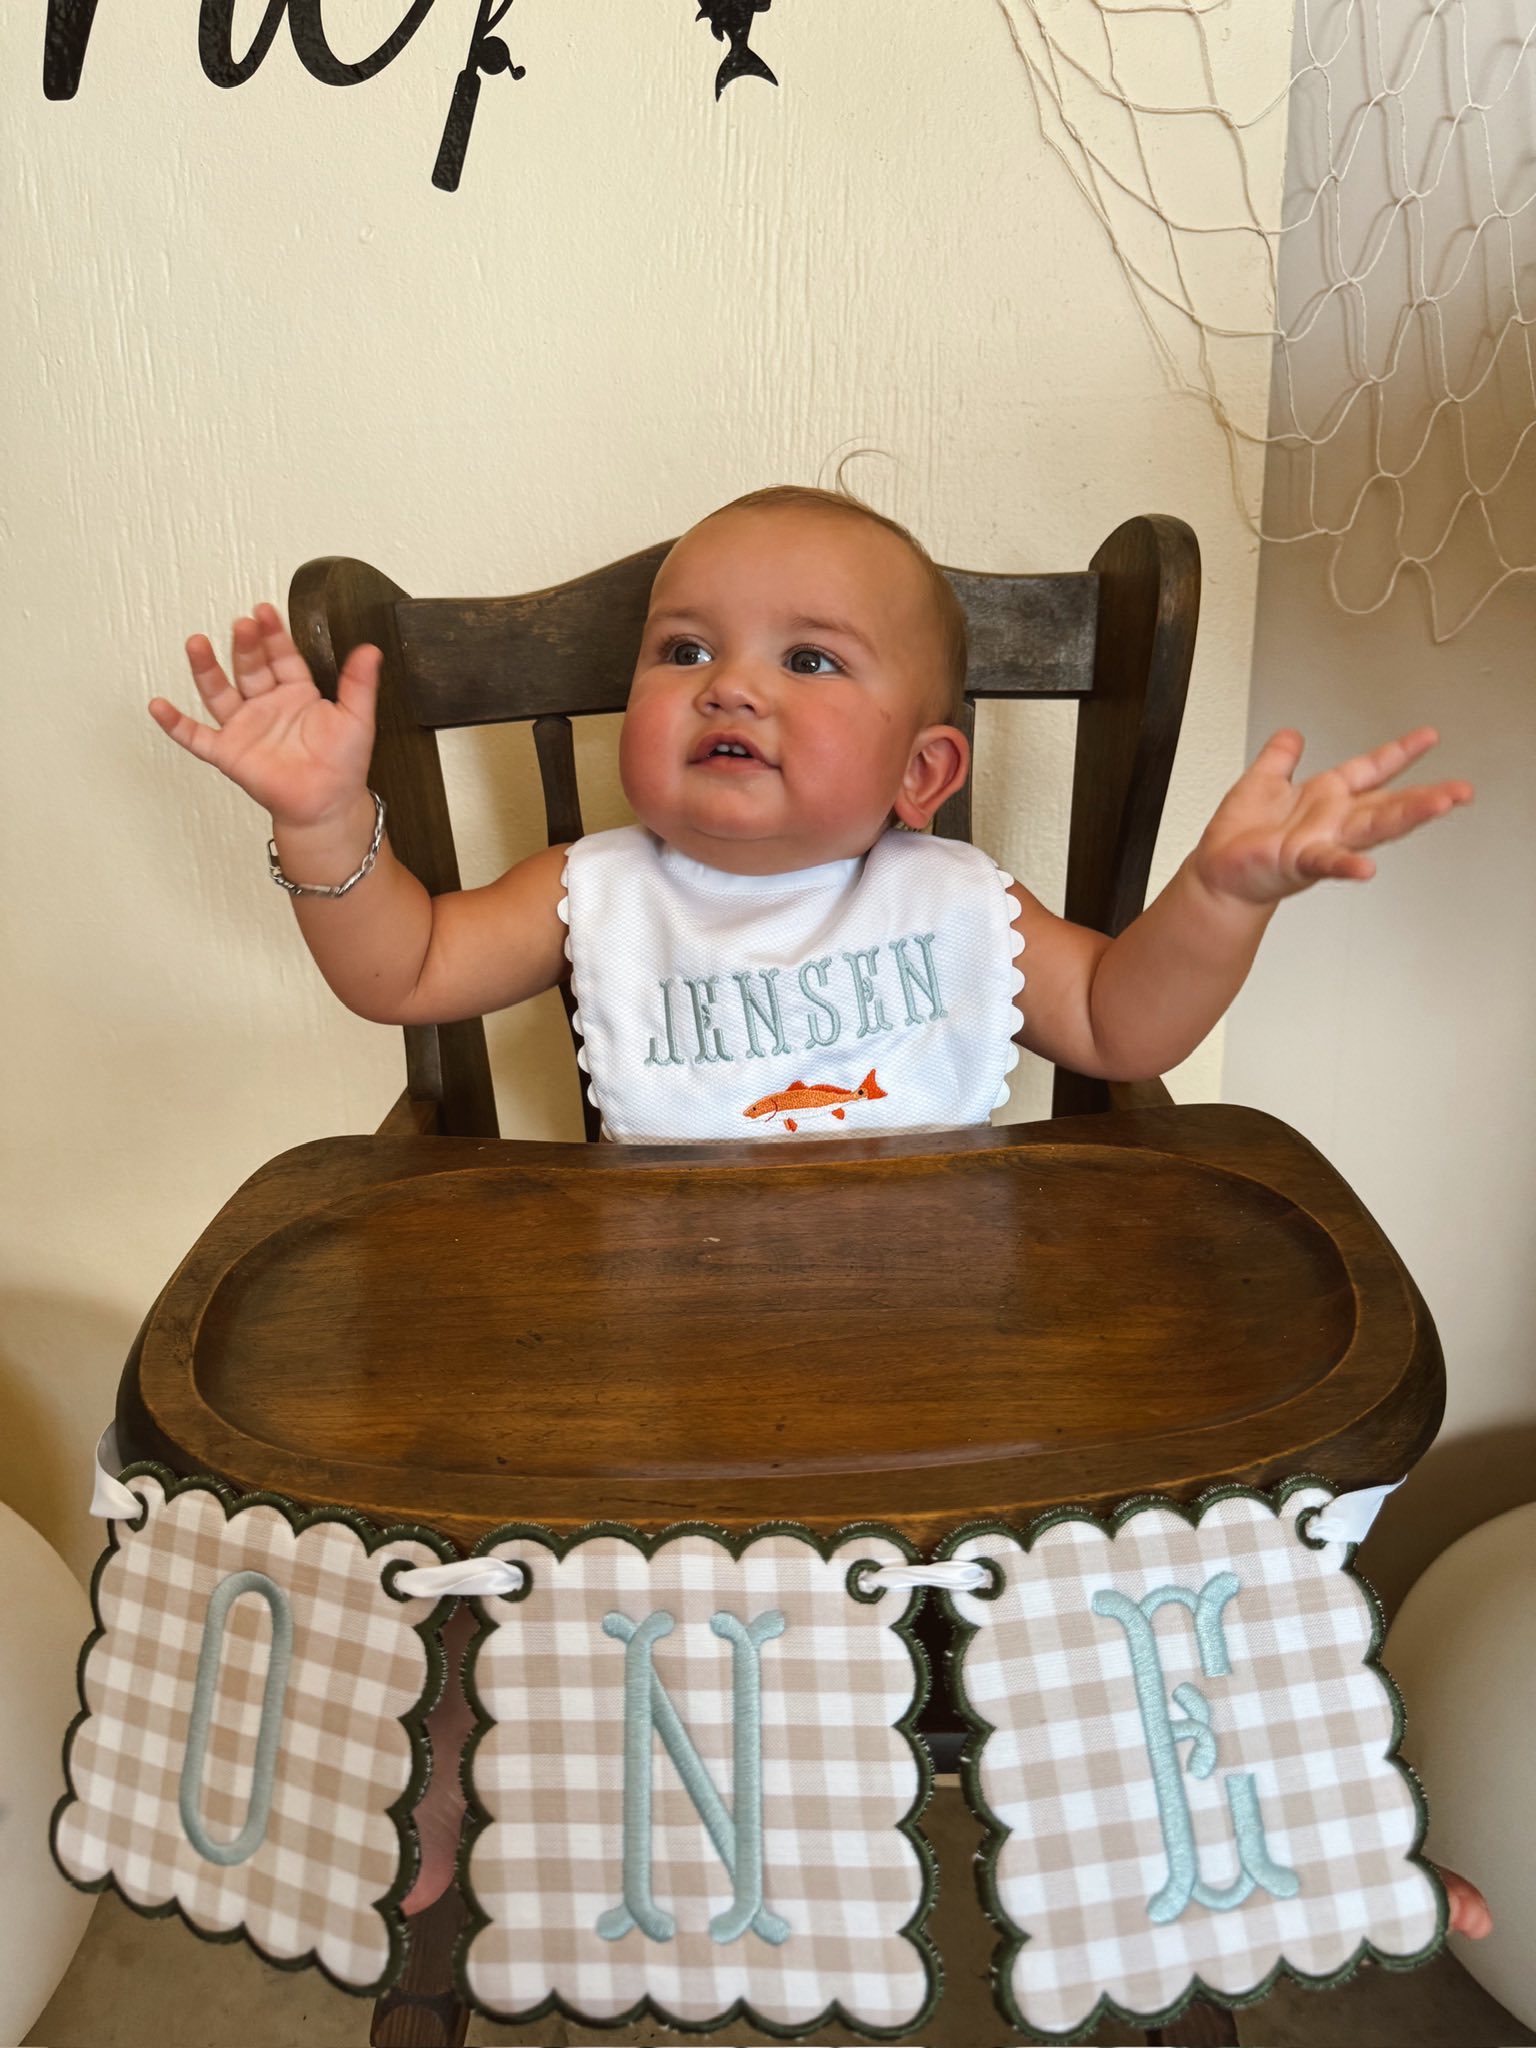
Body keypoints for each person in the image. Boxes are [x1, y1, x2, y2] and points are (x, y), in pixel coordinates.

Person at [148, 484, 1491, 1935]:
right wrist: (329, 820)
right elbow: (400, 969)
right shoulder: (593, 893)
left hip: (959, 1372)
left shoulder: (958, 902)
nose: (730, 684)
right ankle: (461, 1766)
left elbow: (1122, 1021)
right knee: (489, 1550)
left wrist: (1224, 898)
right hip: (649, 1380)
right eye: (680, 652)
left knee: (1177, 1551)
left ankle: (1319, 1821)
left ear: (924, 770)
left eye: (809, 659)